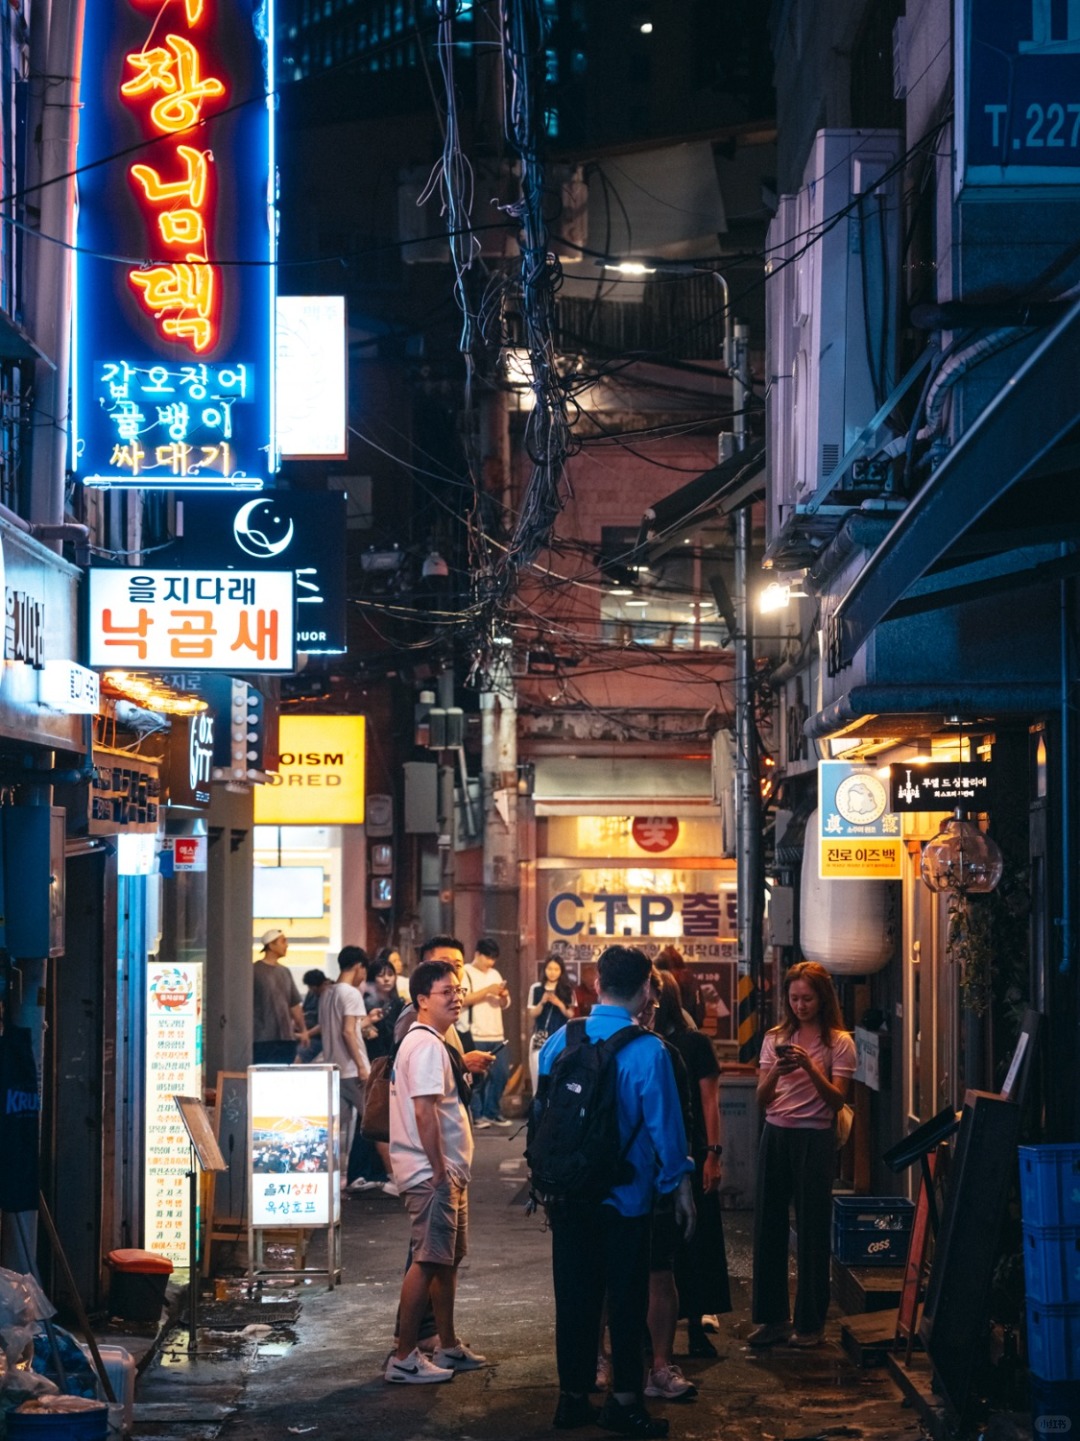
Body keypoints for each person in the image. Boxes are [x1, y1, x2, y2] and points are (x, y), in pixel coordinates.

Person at [539, 943, 695, 1438]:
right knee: (625, 1302)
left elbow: (544, 1119)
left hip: (567, 1196)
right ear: (648, 988)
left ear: (597, 984)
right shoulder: (650, 1051)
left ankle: (573, 1398)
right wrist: (680, 1186)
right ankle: (625, 1402)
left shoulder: (561, 1039)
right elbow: (666, 1132)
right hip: (626, 1200)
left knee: (575, 1299)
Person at [385, 958, 488, 1384]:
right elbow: (425, 1113)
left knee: (445, 1261)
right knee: (427, 1260)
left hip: (443, 1173)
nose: (457, 998)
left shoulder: (429, 1041)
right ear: (422, 1000)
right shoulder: (425, 1044)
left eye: (459, 990)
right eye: (447, 992)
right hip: (434, 1176)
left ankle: (446, 1345)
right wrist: (440, 1169)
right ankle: (404, 1357)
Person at [750, 961, 855, 1349]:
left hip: (815, 1138)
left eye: (807, 998)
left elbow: (838, 1098)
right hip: (775, 1135)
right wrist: (777, 1070)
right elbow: (761, 1100)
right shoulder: (775, 1037)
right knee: (768, 1226)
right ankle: (772, 1319)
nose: (800, 1005)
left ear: (823, 998)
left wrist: (811, 1067)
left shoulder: (839, 1041)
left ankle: (810, 1323)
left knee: (812, 1229)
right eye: (793, 998)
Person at [653, 970, 732, 1359]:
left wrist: (713, 1154)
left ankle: (698, 1327)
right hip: (656, 1153)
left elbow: (710, 1102)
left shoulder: (694, 1043)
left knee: (698, 1240)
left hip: (695, 1149)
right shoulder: (646, 1042)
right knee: (662, 1244)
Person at [637, 971, 697, 1404]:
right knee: (659, 1276)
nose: (654, 1011)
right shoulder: (660, 1054)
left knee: (609, 1278)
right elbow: (672, 1127)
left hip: (593, 1189)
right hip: (652, 1184)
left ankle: (605, 1365)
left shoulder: (571, 1041)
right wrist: (682, 1185)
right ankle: (657, 1367)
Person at [317, 946, 374, 1191]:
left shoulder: (327, 993)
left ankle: (329, 1175)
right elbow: (348, 1031)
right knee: (374, 1120)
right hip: (352, 1068)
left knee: (338, 1124)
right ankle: (383, 1176)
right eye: (364, 970)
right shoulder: (350, 993)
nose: (364, 976)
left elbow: (340, 1029)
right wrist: (362, 1065)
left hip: (333, 1066)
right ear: (359, 966)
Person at [461, 938, 512, 1128]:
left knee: (501, 1074)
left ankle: (492, 1111)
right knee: (477, 1078)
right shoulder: (466, 972)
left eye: (493, 959)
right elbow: (464, 999)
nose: (490, 963)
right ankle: (478, 1114)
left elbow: (505, 1004)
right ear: (477, 954)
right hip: (475, 1032)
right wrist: (487, 991)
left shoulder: (495, 974)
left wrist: (504, 997)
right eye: (487, 958)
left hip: (496, 1032)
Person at [252, 929, 308, 1065]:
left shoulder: (285, 971)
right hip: (262, 1038)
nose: (286, 945)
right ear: (271, 945)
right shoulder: (254, 971)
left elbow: (294, 1004)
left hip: (286, 1037)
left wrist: (303, 1030)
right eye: (283, 941)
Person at [527, 955, 575, 1097]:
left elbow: (571, 1014)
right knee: (537, 1073)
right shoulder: (536, 988)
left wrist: (559, 1003)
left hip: (561, 1036)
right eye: (549, 968)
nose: (552, 972)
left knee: (559, 1074)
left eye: (556, 969)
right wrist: (542, 1002)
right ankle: (537, 1109)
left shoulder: (567, 989)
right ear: (544, 969)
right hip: (541, 1036)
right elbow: (532, 1013)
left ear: (561, 971)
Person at [654, 947, 704, 1029]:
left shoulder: (665, 981)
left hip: (669, 1026)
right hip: (689, 1024)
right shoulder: (690, 979)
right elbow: (699, 1012)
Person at [298, 969, 325, 1063]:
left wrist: (306, 1034)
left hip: (318, 1037)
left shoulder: (327, 996)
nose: (310, 989)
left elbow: (324, 1024)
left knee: (299, 1057)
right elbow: (303, 1011)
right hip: (306, 1032)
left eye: (311, 987)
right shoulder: (312, 994)